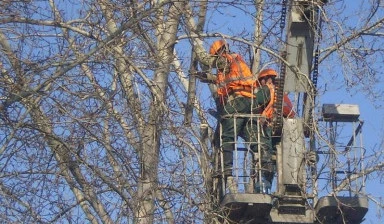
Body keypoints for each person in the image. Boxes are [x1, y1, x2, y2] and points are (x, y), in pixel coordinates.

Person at [194, 39, 265, 192]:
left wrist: (197, 46)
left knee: (227, 137)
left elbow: (207, 60)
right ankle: (259, 172)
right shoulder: (235, 61)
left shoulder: (224, 59)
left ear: (218, 52)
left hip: (237, 102)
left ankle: (228, 176)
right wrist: (206, 77)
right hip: (251, 104)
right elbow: (224, 77)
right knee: (253, 139)